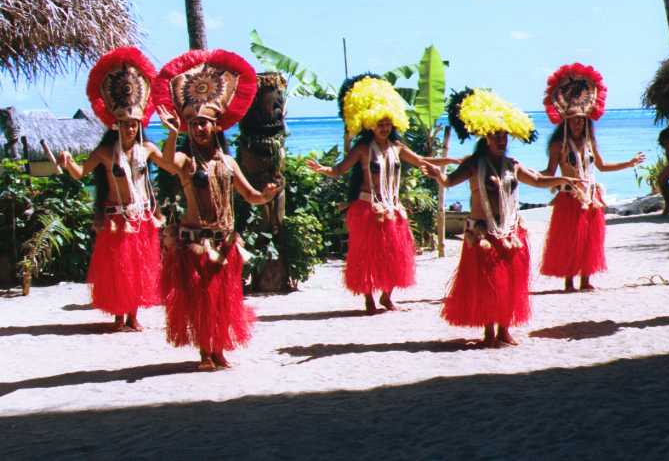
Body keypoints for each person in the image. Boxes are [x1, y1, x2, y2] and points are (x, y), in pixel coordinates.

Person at [154, 49, 281, 371]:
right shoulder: (186, 162)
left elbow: (251, 196)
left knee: (222, 299)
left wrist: (267, 194)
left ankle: (219, 350)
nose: (200, 129)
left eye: (205, 124)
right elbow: (167, 163)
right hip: (196, 242)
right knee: (201, 299)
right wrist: (172, 133)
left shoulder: (228, 163)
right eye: (195, 124)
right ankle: (205, 354)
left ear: (216, 127)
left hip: (225, 243)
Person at [424, 87, 577, 347]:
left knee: (510, 283)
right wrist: (438, 175)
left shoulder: (513, 164)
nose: (501, 139)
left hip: (510, 230)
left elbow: (538, 180)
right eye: (496, 135)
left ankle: (504, 330)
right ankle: (488, 332)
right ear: (486, 136)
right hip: (483, 232)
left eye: (505, 135)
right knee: (488, 284)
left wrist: (563, 179)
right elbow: (449, 182)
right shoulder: (473, 164)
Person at [306, 73, 454, 313]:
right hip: (368, 208)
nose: (384, 128)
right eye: (380, 124)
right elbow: (340, 169)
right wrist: (323, 169)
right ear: (370, 125)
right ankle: (369, 299)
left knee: (396, 254)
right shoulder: (363, 148)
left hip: (393, 209)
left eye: (387, 124)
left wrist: (453, 160)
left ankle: (386, 297)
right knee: (367, 255)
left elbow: (422, 160)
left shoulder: (397, 147)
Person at [54, 47, 168, 332]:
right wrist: (68, 162)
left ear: (139, 125)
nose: (130, 129)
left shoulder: (147, 148)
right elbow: (81, 172)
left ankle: (133, 316)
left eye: (134, 125)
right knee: (119, 268)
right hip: (116, 218)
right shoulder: (105, 153)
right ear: (116, 125)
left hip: (141, 216)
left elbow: (170, 164)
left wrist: (175, 132)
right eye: (125, 125)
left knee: (138, 267)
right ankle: (119, 316)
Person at [538, 64, 644, 292]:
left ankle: (585, 279)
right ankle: (569, 281)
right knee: (569, 239)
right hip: (569, 198)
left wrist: (629, 163)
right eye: (574, 119)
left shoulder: (589, 142)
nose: (578, 123)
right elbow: (550, 172)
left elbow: (602, 166)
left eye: (581, 119)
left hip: (592, 197)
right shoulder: (558, 144)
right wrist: (526, 175)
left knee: (589, 239)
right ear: (566, 121)